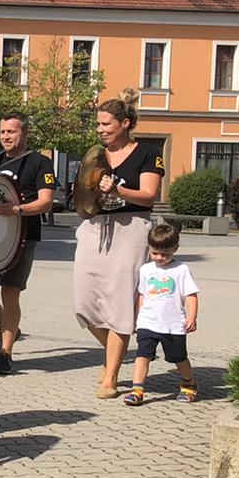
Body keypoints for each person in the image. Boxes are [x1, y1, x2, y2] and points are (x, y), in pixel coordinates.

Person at [72, 91, 164, 399]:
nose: (100, 129)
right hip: (94, 227)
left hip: (131, 228)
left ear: (125, 124)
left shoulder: (147, 153)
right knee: (84, 304)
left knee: (120, 301)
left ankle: (110, 377)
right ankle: (115, 351)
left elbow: (148, 196)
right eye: (98, 124)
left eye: (106, 124)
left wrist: (118, 191)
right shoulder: (96, 155)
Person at [0, 111, 57, 374]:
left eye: (11, 131)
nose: (6, 136)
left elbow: (45, 202)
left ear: (25, 133)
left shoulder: (40, 162)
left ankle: (5, 353)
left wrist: (17, 210)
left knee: (10, 293)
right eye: (3, 132)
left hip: (23, 237)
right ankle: (9, 329)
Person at [124, 222, 199, 406]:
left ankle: (188, 383)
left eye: (165, 254)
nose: (159, 257)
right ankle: (137, 389)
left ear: (175, 249)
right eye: (155, 253)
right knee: (142, 355)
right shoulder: (146, 269)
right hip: (148, 322)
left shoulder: (181, 270)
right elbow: (142, 294)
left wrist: (192, 316)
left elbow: (191, 295)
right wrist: (137, 318)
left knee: (178, 357)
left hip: (173, 325)